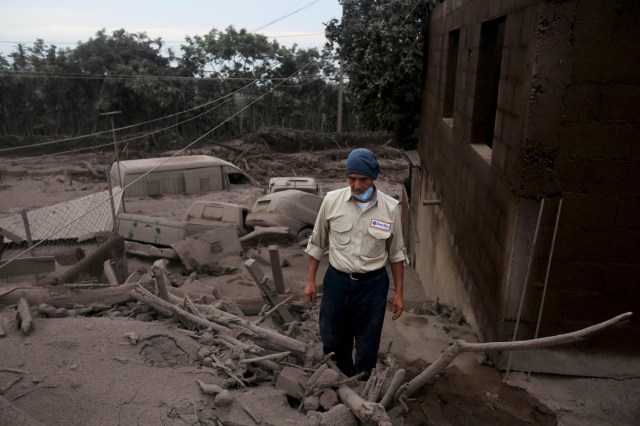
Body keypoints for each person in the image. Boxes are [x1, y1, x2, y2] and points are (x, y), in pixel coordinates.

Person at [305, 148, 406, 379]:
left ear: (373, 178)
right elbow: (317, 243)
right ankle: (338, 380)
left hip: (372, 286)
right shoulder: (332, 201)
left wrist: (399, 294)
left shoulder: (390, 208)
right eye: (352, 178)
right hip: (337, 282)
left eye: (363, 179)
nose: (357, 185)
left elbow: (397, 254)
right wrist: (310, 281)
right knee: (332, 337)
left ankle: (361, 383)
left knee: (368, 341)